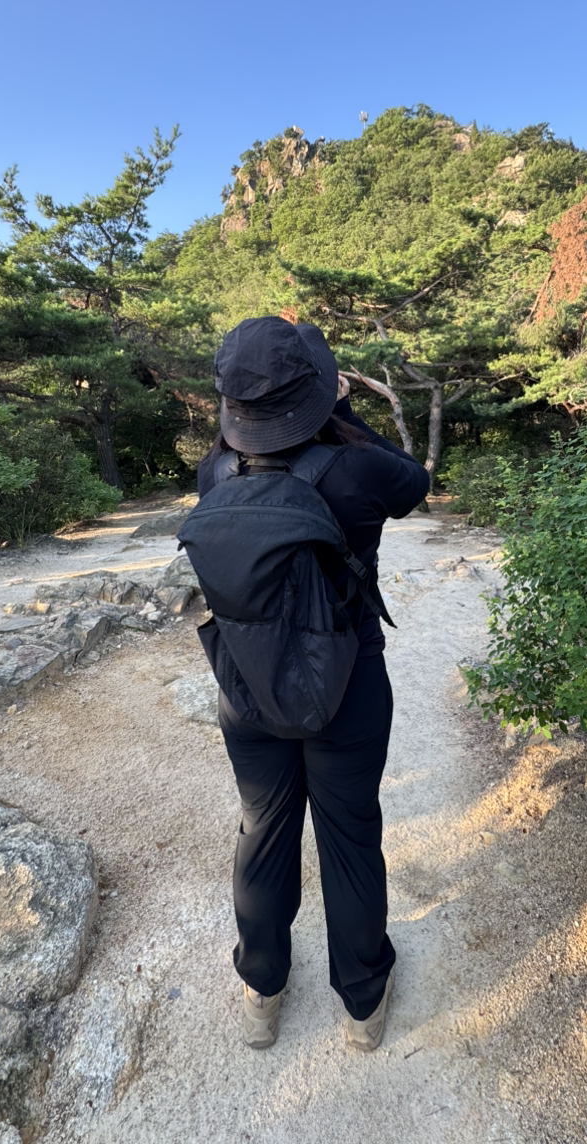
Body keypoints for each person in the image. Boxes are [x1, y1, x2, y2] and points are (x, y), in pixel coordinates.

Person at [196, 315, 431, 1051]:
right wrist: (346, 409)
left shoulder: (214, 473)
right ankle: (362, 1002)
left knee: (263, 827)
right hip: (347, 681)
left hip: (246, 684)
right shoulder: (359, 471)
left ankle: (262, 990)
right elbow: (415, 482)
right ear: (316, 394)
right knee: (349, 834)